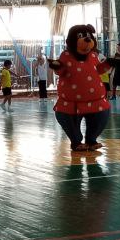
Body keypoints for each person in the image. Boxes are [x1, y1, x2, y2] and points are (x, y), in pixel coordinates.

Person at [49, 24, 111, 153]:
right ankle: (76, 142)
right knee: (69, 120)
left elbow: (99, 69)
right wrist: (56, 66)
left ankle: (91, 140)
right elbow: (61, 71)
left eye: (89, 36)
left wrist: (109, 63)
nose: (87, 40)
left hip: (96, 101)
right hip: (71, 102)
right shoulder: (66, 56)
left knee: (101, 117)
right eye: (81, 36)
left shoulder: (93, 56)